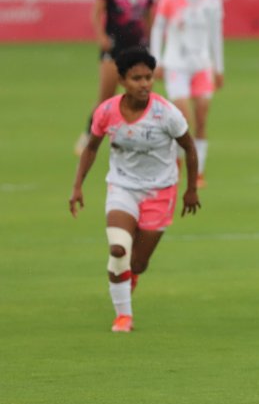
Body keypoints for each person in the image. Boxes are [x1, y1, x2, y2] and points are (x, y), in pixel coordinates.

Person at [69, 48, 201, 333]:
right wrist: (77, 186)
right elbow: (91, 148)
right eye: (136, 78)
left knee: (138, 263)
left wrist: (191, 189)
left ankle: (131, 277)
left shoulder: (166, 113)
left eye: (148, 77)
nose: (144, 83)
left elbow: (189, 147)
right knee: (118, 250)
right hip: (122, 186)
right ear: (122, 80)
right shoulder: (106, 112)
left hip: (160, 191)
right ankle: (123, 317)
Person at [150, 0, 225, 187]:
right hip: (176, 66)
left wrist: (219, 67)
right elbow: (158, 28)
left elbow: (215, 35)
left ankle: (199, 170)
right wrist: (157, 60)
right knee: (183, 118)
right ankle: (178, 161)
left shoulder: (212, 1)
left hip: (202, 67)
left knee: (201, 119)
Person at [76, 0, 154, 155]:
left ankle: (137, 138)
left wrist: (151, 41)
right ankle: (88, 135)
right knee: (106, 97)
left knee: (140, 95)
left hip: (136, 50)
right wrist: (101, 36)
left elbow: (148, 17)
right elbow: (97, 12)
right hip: (114, 49)